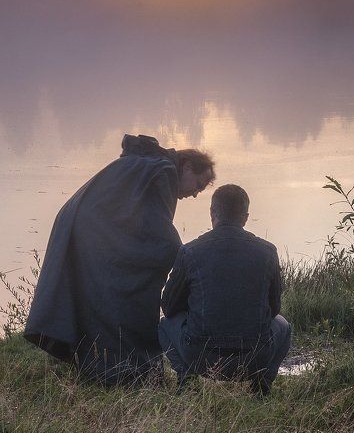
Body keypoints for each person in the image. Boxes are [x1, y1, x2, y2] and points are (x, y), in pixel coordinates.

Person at [23, 134, 215, 386]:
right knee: (122, 295)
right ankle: (122, 371)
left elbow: (143, 220)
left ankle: (105, 367)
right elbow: (159, 229)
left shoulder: (152, 163)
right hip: (92, 230)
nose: (195, 194)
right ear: (187, 166)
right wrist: (185, 261)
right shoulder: (165, 170)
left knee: (100, 295)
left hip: (83, 225)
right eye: (198, 185)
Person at [158, 184, 292, 396]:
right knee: (284, 326)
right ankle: (261, 386)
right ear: (246, 217)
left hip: (201, 356)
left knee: (165, 324)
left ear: (212, 212)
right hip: (255, 356)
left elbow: (169, 306)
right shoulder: (268, 252)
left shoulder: (189, 251)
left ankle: (188, 381)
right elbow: (275, 308)